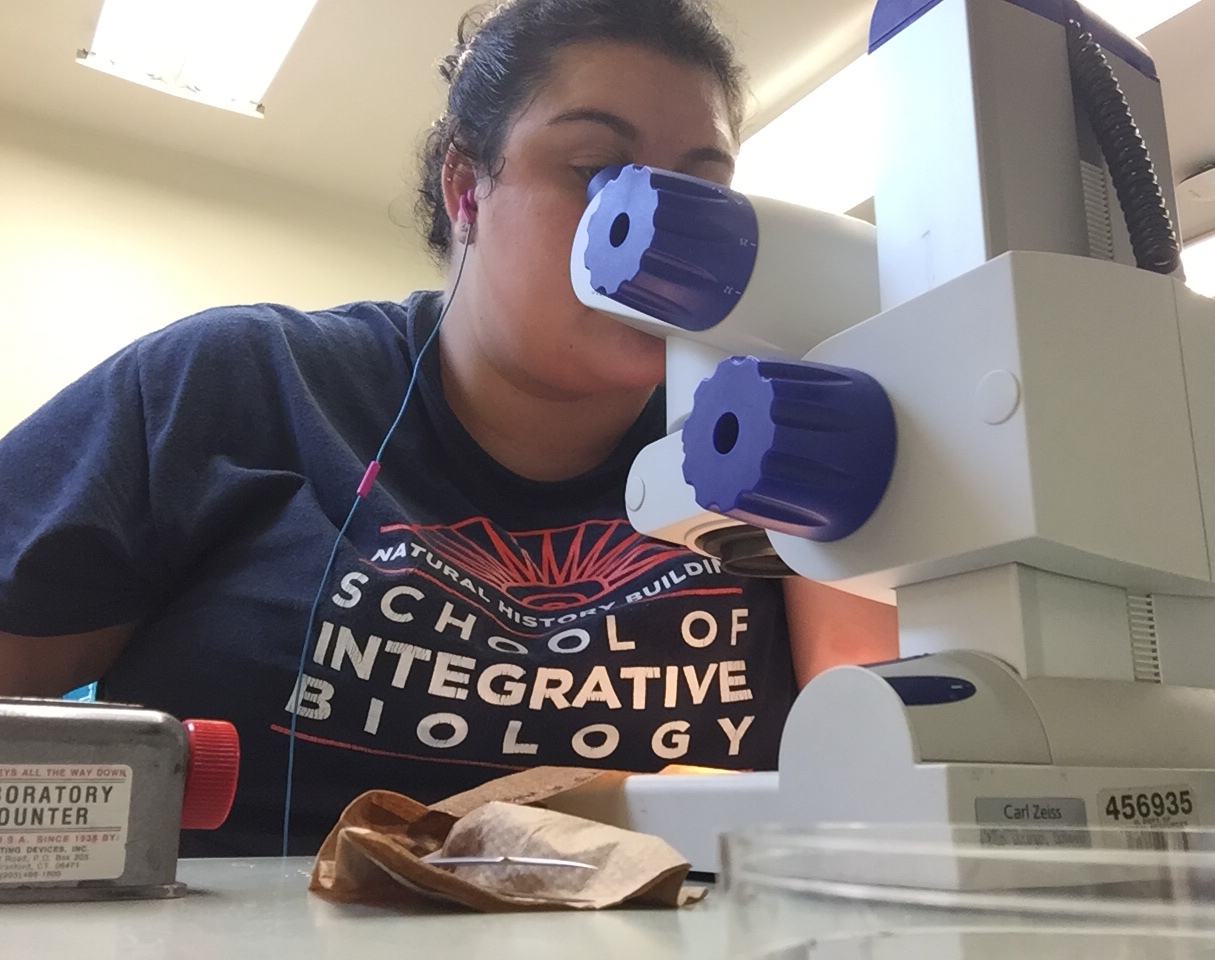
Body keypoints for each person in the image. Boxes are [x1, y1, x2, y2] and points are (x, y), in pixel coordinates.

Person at [0, 0, 897, 856]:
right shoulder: (236, 381)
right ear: (467, 188)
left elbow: (882, 759)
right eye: (596, 174)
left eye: (704, 193)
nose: (666, 235)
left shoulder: (767, 434)